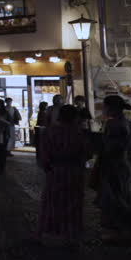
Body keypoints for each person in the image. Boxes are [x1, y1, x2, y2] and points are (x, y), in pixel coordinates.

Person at [37, 104, 90, 249]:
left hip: (55, 171)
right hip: (73, 172)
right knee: (73, 202)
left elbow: (44, 155)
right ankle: (72, 233)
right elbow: (84, 154)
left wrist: (48, 167)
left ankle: (53, 231)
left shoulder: (49, 132)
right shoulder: (78, 133)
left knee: (54, 201)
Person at [95, 95, 131, 244]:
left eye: (105, 106)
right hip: (124, 163)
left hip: (114, 164)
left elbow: (111, 147)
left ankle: (122, 230)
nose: (103, 109)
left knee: (116, 197)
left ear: (111, 108)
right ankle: (126, 229)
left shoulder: (113, 125)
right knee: (123, 194)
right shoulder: (127, 123)